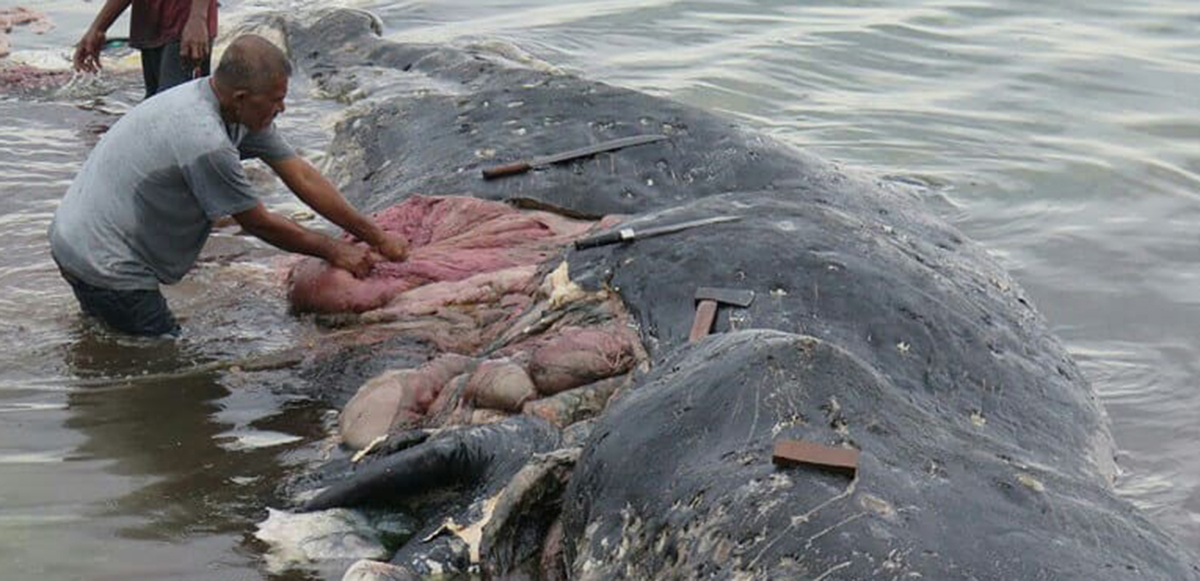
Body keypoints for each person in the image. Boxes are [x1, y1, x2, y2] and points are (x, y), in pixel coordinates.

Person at [49, 34, 408, 337]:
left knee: (106, 341)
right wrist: (334, 250)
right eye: (276, 100)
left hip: (75, 238)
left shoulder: (227, 106)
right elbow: (257, 222)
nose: (282, 108)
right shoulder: (206, 141)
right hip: (106, 260)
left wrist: (374, 235)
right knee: (172, 367)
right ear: (241, 98)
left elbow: (302, 175)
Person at [73, 0, 218, 97]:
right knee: (153, 105)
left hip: (185, 25)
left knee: (171, 107)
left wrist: (198, 17)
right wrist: (98, 28)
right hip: (151, 26)